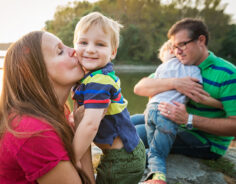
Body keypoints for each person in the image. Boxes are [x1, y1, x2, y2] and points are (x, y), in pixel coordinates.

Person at [0, 31, 95, 184]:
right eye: (60, 51)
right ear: (33, 72)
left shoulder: (56, 112)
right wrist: (83, 134)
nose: (74, 50)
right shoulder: (33, 132)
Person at [134, 18, 236, 183]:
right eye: (174, 46)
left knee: (133, 135)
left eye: (183, 44)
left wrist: (188, 119)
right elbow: (140, 87)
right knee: (126, 122)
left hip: (204, 139)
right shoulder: (179, 64)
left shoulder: (228, 74)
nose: (177, 51)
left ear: (201, 40)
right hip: (171, 119)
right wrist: (175, 83)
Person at [72, 12, 146, 184]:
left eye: (100, 44)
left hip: (123, 160)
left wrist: (72, 157)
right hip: (123, 154)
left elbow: (90, 125)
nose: (90, 49)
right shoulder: (91, 77)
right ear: (74, 45)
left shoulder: (99, 81)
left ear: (112, 52)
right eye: (83, 42)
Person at [140, 40, 223, 184]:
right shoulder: (192, 70)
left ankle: (152, 172)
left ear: (171, 51)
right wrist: (175, 84)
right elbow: (140, 87)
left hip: (155, 110)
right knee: (154, 147)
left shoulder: (163, 67)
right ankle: (155, 172)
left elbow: (151, 93)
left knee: (147, 141)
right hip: (166, 114)